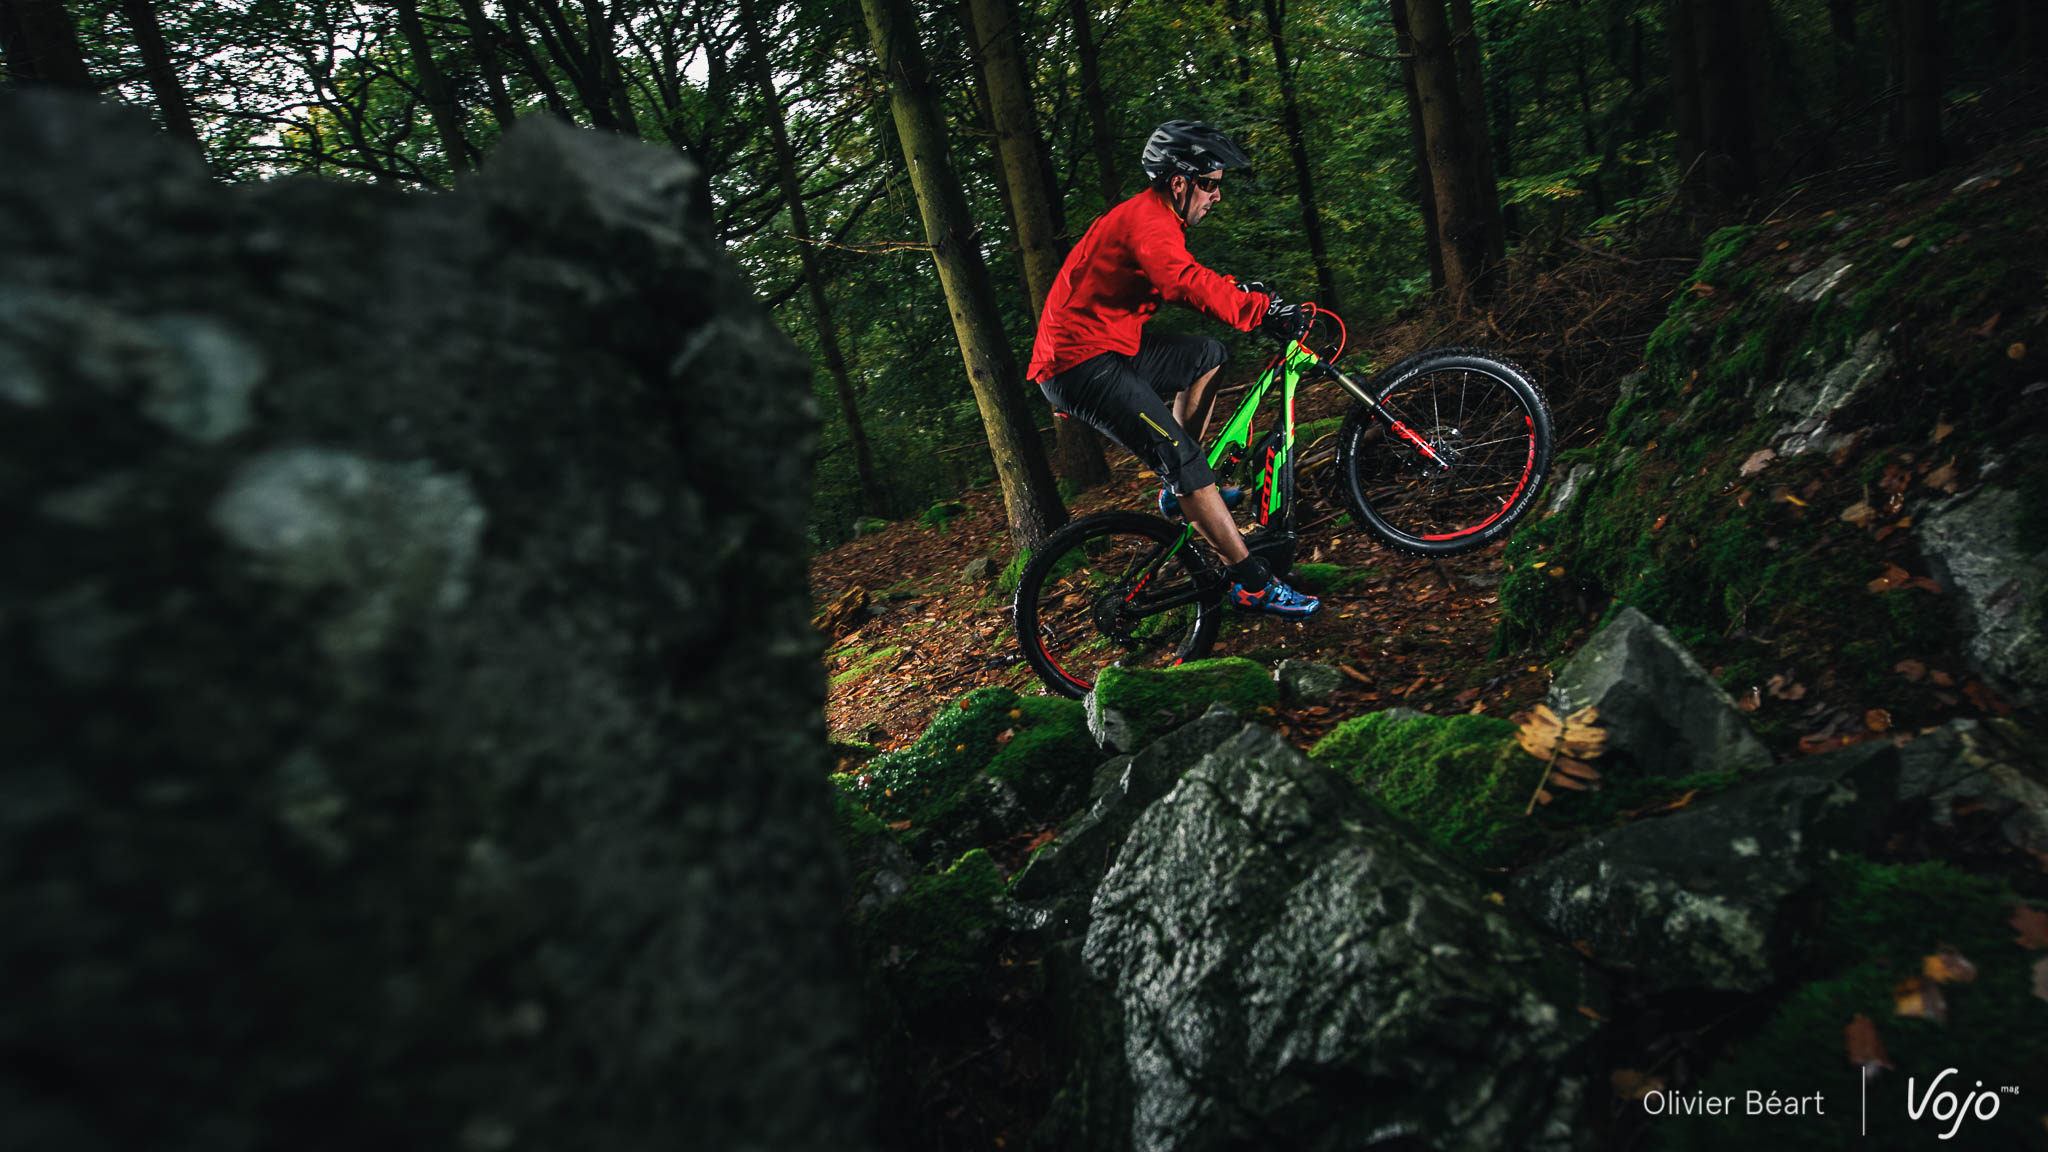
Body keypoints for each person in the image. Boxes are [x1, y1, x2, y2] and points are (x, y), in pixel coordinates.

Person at [1027, 120, 1319, 619]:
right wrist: (1259, 310)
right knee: (1186, 464)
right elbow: (1181, 282)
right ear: (1179, 181)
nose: (1217, 195)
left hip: (1109, 344)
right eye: (1210, 184)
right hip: (1079, 364)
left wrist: (1245, 294)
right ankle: (1251, 584)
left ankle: (1178, 488)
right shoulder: (1148, 221)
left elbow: (1185, 274)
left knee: (1208, 356)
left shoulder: (1156, 219)